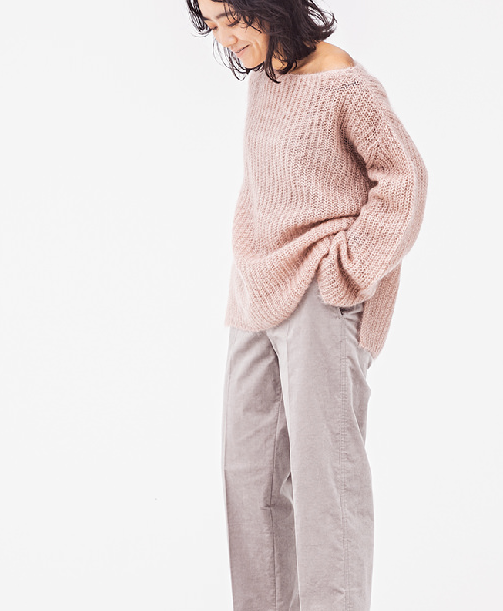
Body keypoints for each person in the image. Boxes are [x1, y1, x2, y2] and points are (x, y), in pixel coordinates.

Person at [186, 1, 428, 609]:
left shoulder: (344, 84)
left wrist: (347, 270)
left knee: (327, 481)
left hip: (320, 298)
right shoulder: (267, 77)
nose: (225, 38)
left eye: (232, 19)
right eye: (213, 26)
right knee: (249, 476)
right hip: (253, 294)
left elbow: (406, 180)